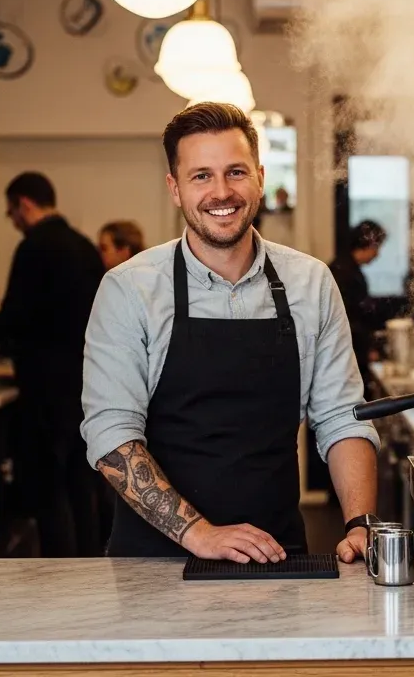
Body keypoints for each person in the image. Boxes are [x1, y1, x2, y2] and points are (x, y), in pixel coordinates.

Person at [81, 102, 380, 562]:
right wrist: (200, 534)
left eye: (235, 172)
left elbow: (342, 418)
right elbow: (111, 436)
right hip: (154, 563)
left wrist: (359, 523)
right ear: (174, 189)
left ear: (260, 177)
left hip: (276, 553)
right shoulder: (129, 289)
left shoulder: (310, 283)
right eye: (201, 175)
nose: (221, 191)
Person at [0, 172, 106, 557]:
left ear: (25, 204)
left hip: (45, 388)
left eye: (12, 212)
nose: (13, 221)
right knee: (81, 482)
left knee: (47, 484)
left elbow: (16, 315)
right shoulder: (84, 246)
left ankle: (59, 573)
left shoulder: (34, 247)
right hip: (86, 384)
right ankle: (90, 564)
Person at [329, 221, 388, 398]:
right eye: (377, 247)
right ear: (368, 243)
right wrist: (367, 349)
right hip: (344, 359)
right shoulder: (346, 274)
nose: (377, 254)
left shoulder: (343, 267)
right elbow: (348, 320)